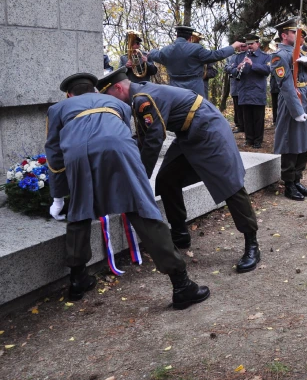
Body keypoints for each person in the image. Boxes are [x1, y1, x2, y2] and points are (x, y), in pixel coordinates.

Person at [46, 72, 209, 309]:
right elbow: (122, 132)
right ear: (94, 91)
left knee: (79, 213)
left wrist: (59, 197)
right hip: (119, 151)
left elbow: (54, 154)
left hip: (77, 155)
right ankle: (181, 285)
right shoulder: (116, 103)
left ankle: (77, 280)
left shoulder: (57, 109)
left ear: (69, 95)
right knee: (142, 210)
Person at [98, 68, 261, 274]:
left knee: (230, 185)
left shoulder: (142, 99)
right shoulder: (138, 97)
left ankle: (252, 244)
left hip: (208, 129)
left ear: (118, 87)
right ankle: (180, 233)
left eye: (108, 96)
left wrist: (140, 178)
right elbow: (144, 137)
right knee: (167, 179)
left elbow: (155, 139)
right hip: (188, 133)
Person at [270, 19, 307, 200]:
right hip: (293, 99)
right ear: (284, 35)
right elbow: (286, 85)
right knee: (291, 141)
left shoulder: (301, 52)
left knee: (305, 140)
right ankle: (289, 183)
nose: (301, 37)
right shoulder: (280, 56)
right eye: (296, 33)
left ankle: (297, 179)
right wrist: (296, 111)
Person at [146, 25, 242, 98]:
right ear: (190, 38)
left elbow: (154, 54)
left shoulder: (165, 51)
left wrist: (152, 51)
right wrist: (232, 47)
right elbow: (216, 55)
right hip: (195, 89)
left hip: (174, 90)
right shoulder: (196, 49)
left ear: (176, 36)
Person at [229, 34, 271, 149]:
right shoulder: (240, 57)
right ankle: (249, 139)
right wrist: (237, 69)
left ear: (258, 43)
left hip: (257, 92)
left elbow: (267, 70)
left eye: (252, 44)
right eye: (248, 44)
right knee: (246, 118)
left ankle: (258, 140)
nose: (249, 46)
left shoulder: (265, 57)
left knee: (258, 118)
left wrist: (253, 64)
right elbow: (230, 70)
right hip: (244, 91)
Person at [225, 38, 248, 134]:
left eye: (244, 46)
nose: (242, 48)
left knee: (246, 108)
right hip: (235, 85)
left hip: (246, 86)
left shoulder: (249, 56)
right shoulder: (233, 57)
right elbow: (227, 68)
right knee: (237, 107)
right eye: (240, 46)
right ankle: (239, 125)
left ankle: (246, 126)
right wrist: (235, 69)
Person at [270, 34, 282, 125]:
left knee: (282, 103)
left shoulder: (283, 55)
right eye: (276, 45)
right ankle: (275, 120)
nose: (277, 46)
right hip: (274, 84)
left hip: (281, 84)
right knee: (274, 103)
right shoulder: (272, 56)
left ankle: (281, 120)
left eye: (279, 44)